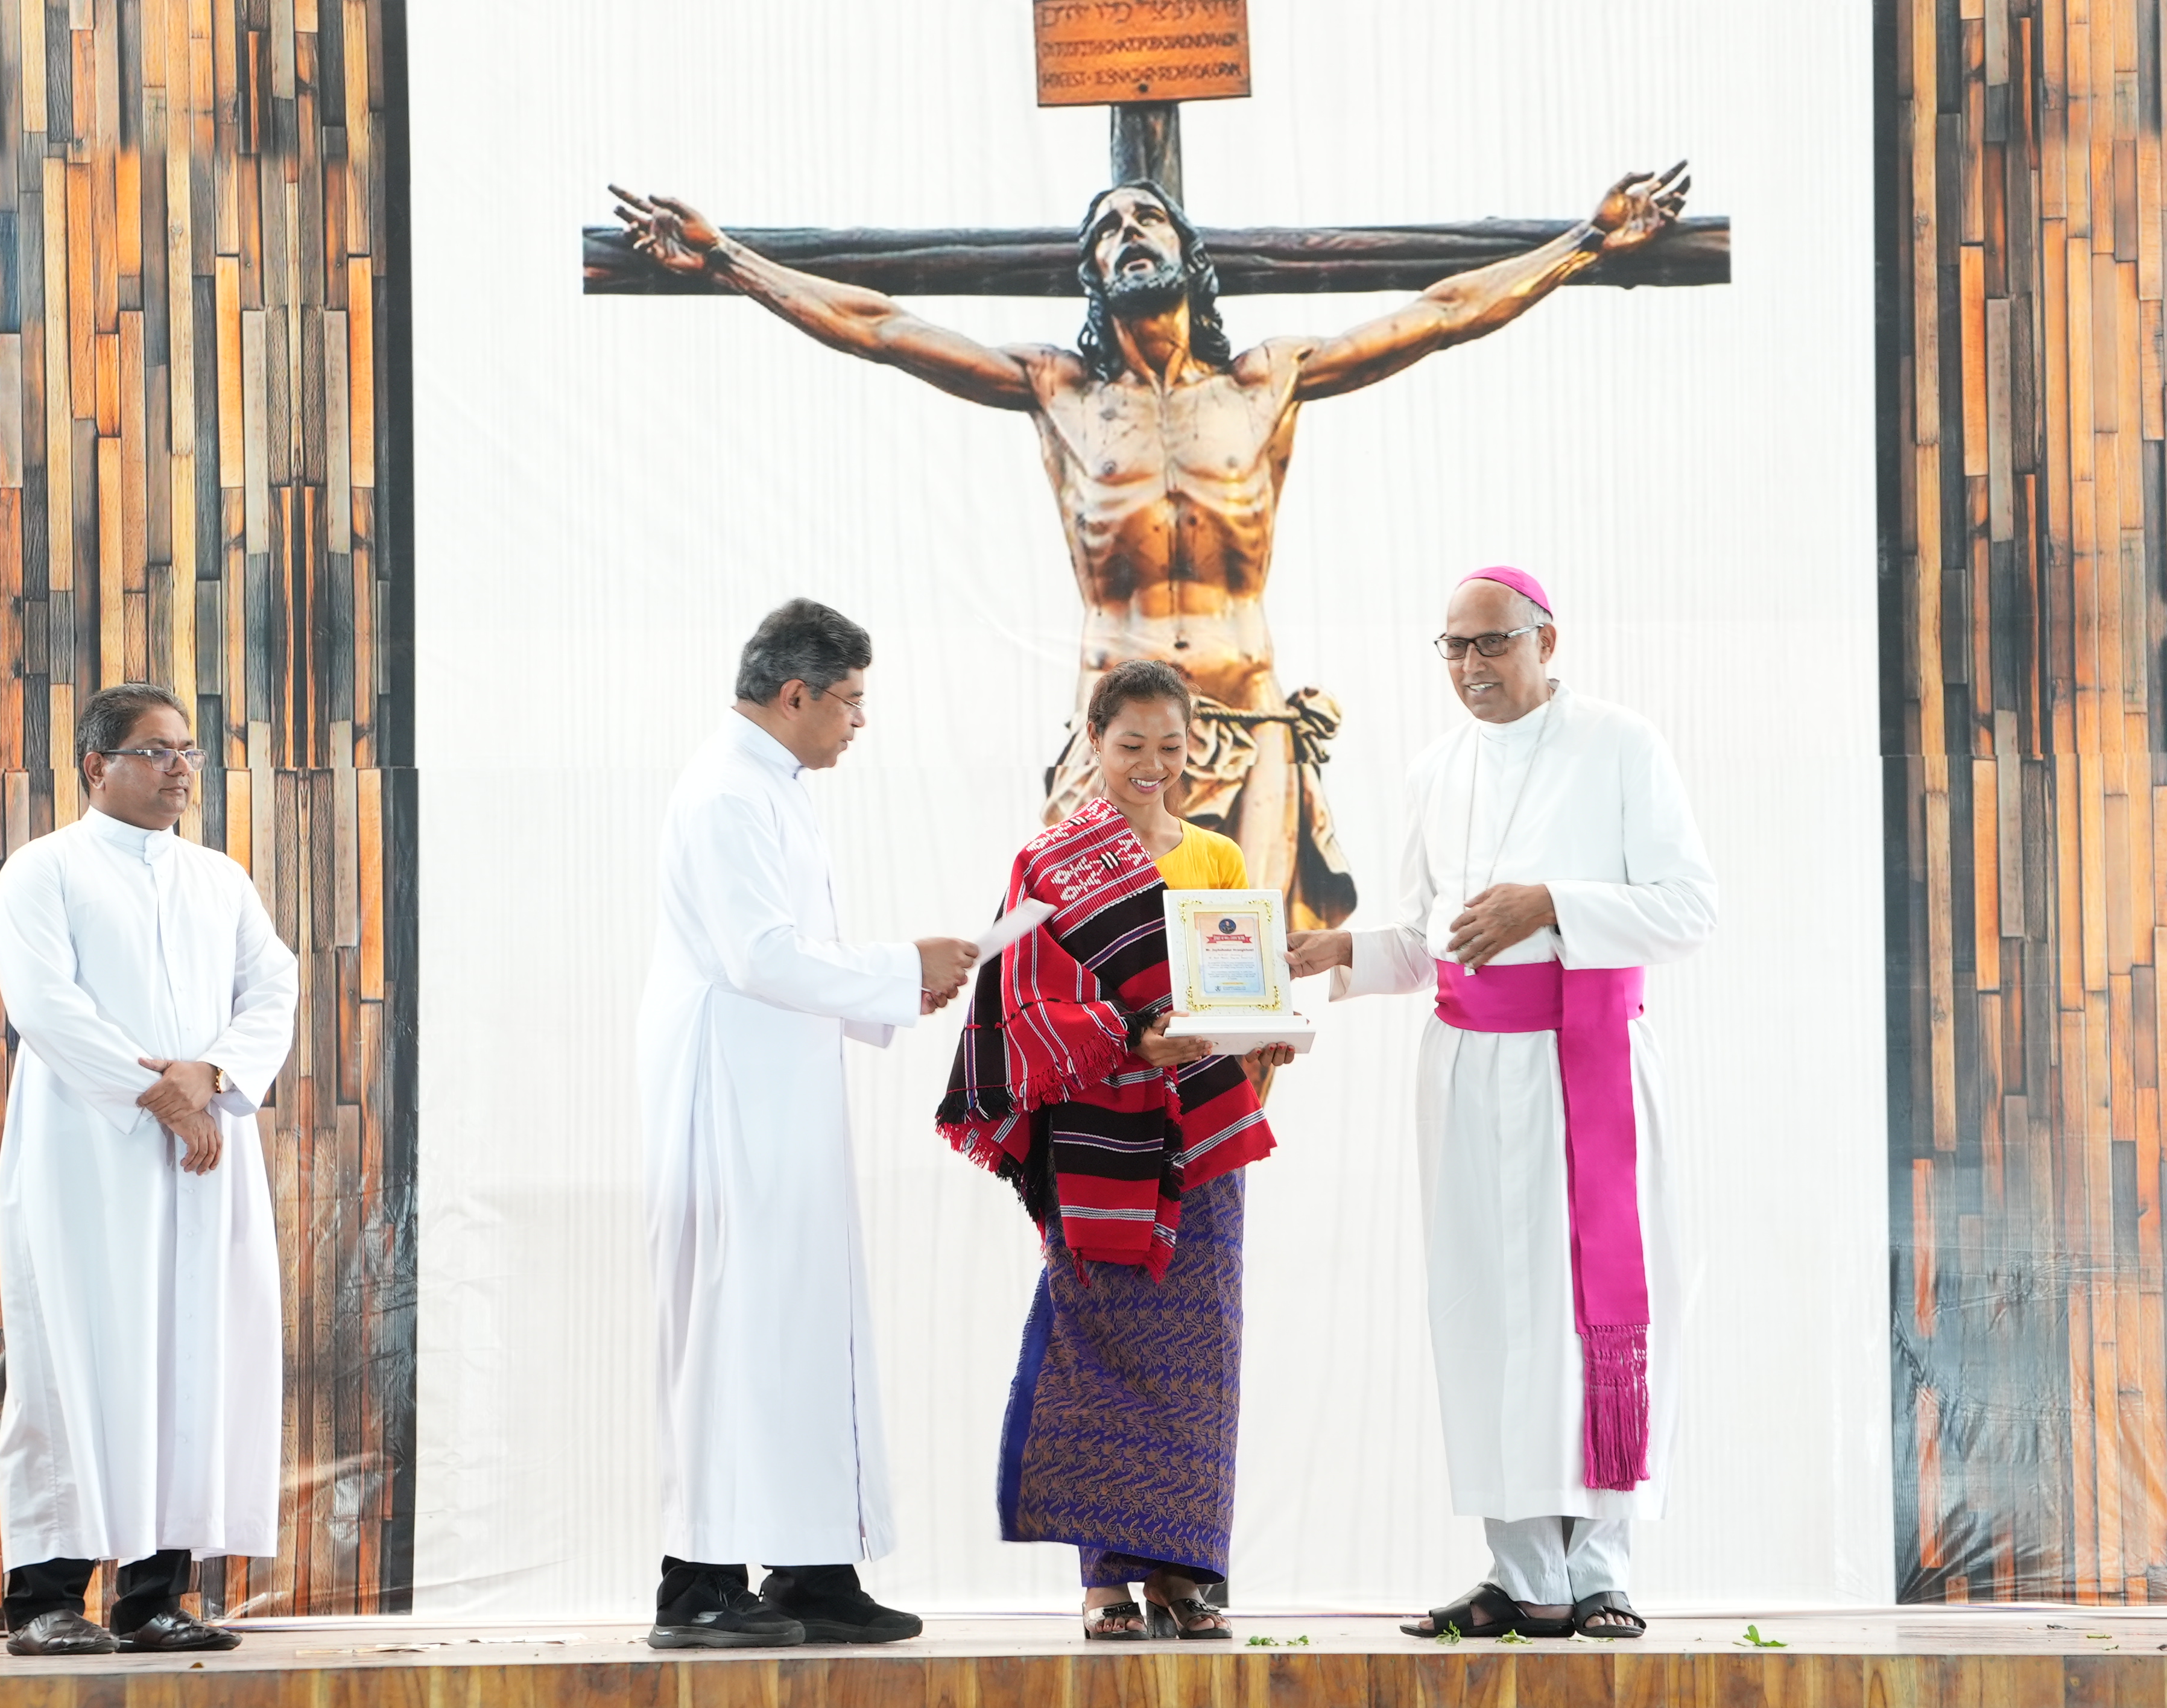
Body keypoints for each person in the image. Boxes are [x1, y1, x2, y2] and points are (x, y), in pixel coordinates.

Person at [610, 164, 1692, 931]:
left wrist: (1587, 243)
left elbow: (1444, 311)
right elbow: (881, 328)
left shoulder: (1268, 380)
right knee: (1092, 961)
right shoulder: (1058, 390)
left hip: (1247, 726)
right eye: (1106, 229)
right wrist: (728, 259)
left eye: (1147, 219)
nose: (1127, 232)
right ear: (1091, 271)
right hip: (1118, 737)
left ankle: (1218, 1196)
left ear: (1188, 254)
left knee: (1243, 982)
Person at [1286, 570, 1716, 1640]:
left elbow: (1689, 909)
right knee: (1486, 1315)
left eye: (1492, 643)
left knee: (1591, 1318)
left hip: (1587, 1065)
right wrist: (1345, 951)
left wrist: (1553, 904)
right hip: (1468, 1076)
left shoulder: (1621, 746)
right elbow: (1426, 936)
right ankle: (1524, 1575)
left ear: (1545, 640)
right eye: (1454, 647)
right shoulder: (1436, 770)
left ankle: (1602, 1571)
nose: (1471, 666)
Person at [639, 598, 981, 1648]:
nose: (860, 722)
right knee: (737, 1327)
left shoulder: (769, 784)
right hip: (730, 1094)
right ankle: (698, 1581)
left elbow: (791, 951)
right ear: (796, 694)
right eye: (851, 701)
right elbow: (760, 956)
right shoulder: (726, 793)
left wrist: (894, 986)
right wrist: (897, 969)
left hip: (778, 1088)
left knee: (800, 1326)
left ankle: (811, 1567)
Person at [938, 659, 1295, 1642]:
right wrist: (1130, 1036)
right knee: (1099, 1350)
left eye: (1172, 747)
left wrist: (1261, 1031)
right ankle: (1105, 1582)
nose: (1153, 765)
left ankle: (1184, 1574)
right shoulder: (1051, 863)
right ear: (1093, 740)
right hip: (1098, 1136)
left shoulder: (1217, 858)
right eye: (1131, 744)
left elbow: (1241, 983)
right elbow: (1019, 1008)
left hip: (1201, 1130)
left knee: (1199, 1358)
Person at [0, 683, 301, 1657]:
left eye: (188, 752)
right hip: (89, 1153)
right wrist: (159, 1095)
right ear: (96, 766)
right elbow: (46, 1006)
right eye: (157, 751)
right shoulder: (44, 872)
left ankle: (153, 1596)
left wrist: (215, 1075)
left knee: (190, 1355)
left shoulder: (219, 879)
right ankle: (46, 1600)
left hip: (204, 1154)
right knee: (77, 1359)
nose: (180, 770)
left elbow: (273, 988)